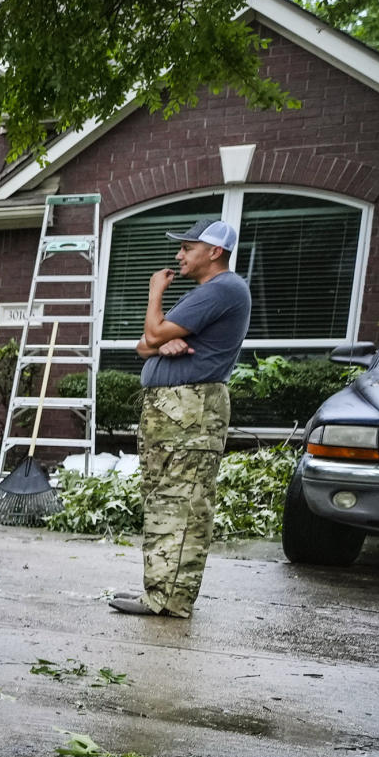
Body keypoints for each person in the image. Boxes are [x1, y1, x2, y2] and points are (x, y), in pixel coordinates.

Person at [111, 218, 252, 618]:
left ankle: (169, 599)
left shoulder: (222, 289)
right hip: (174, 410)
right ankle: (161, 594)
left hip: (191, 410)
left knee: (181, 502)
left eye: (188, 248)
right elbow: (144, 345)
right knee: (163, 499)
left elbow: (150, 333)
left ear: (215, 252)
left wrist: (155, 292)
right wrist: (159, 343)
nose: (179, 256)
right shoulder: (207, 294)